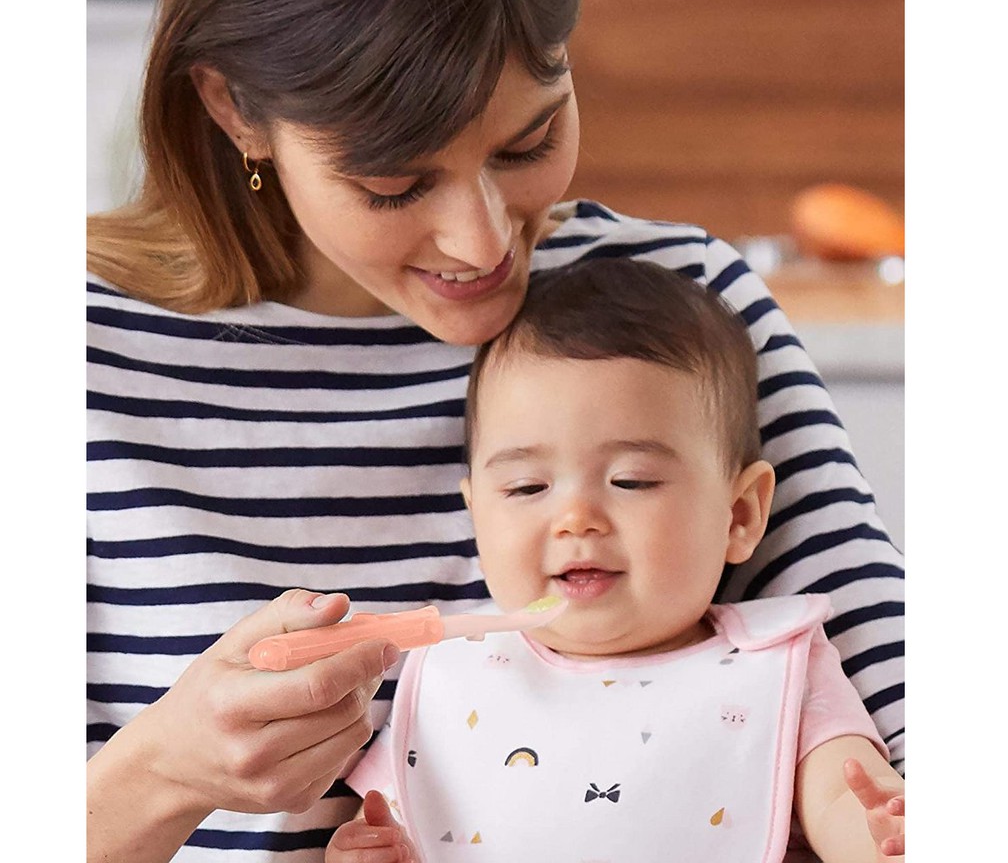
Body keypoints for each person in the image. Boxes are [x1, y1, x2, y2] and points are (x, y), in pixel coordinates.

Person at [86, 0, 904, 860]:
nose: (482, 246)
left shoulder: (681, 307)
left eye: (528, 142)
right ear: (235, 109)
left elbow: (901, 722)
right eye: (394, 185)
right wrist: (161, 772)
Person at [331, 259, 905, 863]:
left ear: (738, 515)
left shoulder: (779, 666)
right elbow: (393, 819)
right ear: (477, 515)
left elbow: (845, 800)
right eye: (527, 488)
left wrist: (883, 834)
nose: (576, 518)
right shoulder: (452, 677)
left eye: (631, 481)